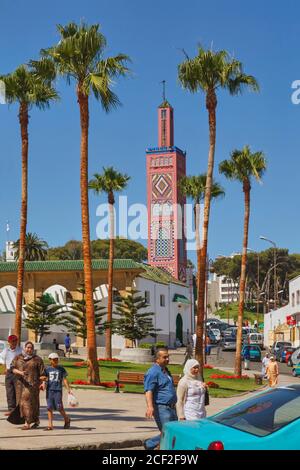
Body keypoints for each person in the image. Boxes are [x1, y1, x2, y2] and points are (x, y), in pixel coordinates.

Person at [143, 348, 177, 450]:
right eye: (164, 357)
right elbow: (148, 390)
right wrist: (150, 407)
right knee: (168, 432)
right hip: (161, 408)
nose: (167, 359)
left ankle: (153, 445)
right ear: (157, 359)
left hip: (171, 407)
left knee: (174, 431)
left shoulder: (166, 371)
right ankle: (149, 444)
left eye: (168, 357)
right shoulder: (153, 372)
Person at [11, 341, 45, 430]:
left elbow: (42, 373)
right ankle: (36, 421)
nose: (29, 349)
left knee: (28, 403)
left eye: (31, 348)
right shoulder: (18, 358)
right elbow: (12, 368)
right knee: (24, 403)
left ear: (33, 349)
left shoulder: (37, 359)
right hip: (19, 385)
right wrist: (20, 373)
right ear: (24, 348)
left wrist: (43, 383)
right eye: (27, 347)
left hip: (32, 385)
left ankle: (27, 423)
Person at [43, 353, 71, 430]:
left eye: (57, 359)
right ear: (50, 360)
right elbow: (43, 377)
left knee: (59, 407)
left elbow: (64, 379)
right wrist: (43, 381)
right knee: (49, 407)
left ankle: (67, 419)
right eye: (54, 359)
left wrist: (68, 389)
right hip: (49, 390)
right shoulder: (47, 369)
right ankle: (50, 425)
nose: (55, 361)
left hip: (58, 390)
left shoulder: (61, 369)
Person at [0, 335, 22, 416]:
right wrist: (5, 366)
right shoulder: (6, 350)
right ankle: (11, 409)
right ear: (9, 342)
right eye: (12, 341)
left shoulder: (20, 350)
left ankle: (19, 409)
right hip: (9, 372)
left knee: (18, 391)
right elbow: (1, 358)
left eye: (15, 341)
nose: (14, 343)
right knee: (10, 391)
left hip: (18, 372)